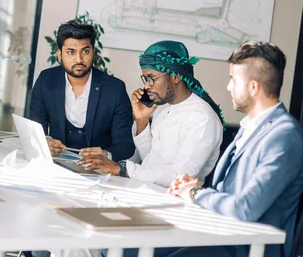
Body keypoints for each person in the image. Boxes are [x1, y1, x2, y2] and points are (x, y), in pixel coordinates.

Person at [168, 41, 303, 257]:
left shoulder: (284, 136)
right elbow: (228, 191)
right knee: (132, 248)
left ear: (253, 87)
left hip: (245, 248)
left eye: (233, 80)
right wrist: (193, 187)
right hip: (218, 235)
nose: (229, 87)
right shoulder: (251, 126)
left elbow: (244, 209)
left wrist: (194, 194)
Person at [78, 40, 223, 187]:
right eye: (145, 79)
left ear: (175, 76)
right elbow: (150, 160)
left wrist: (121, 169)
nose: (147, 86)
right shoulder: (163, 108)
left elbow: (181, 175)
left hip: (172, 202)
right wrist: (141, 120)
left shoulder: (203, 118)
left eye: (152, 78)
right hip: (144, 191)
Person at [29, 20, 135, 162]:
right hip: (56, 164)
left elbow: (126, 145)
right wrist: (44, 143)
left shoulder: (115, 89)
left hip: (99, 170)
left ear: (93, 52)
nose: (79, 59)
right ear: (59, 55)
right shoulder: (46, 80)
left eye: (85, 51)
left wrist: (106, 154)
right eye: (71, 52)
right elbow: (35, 131)